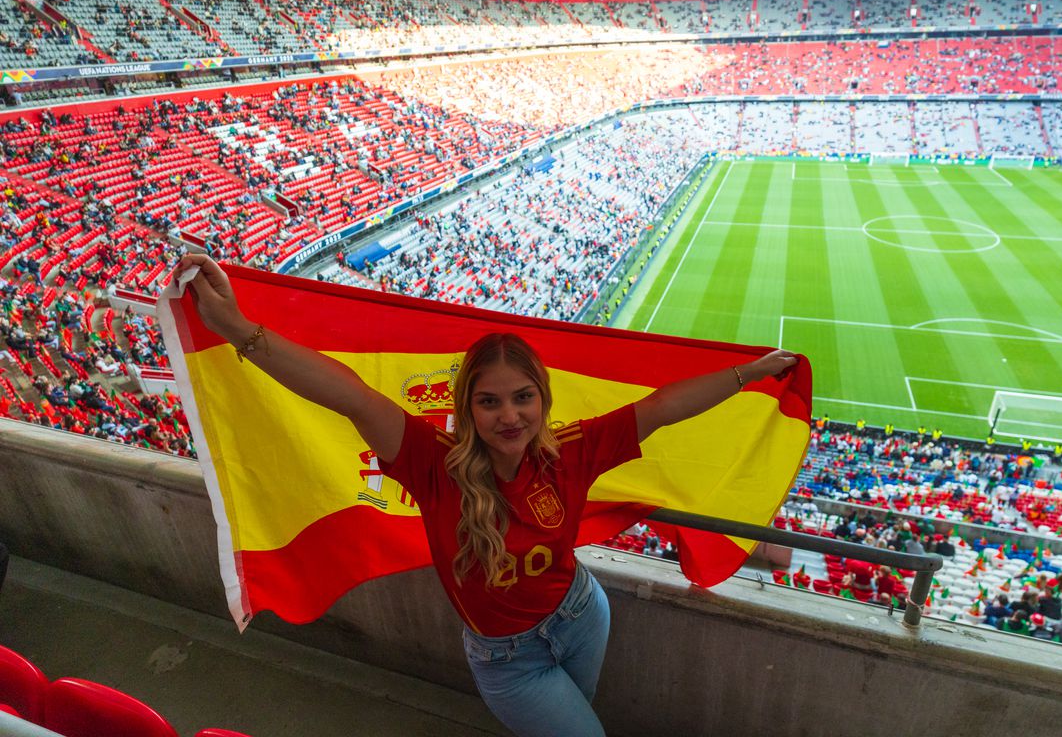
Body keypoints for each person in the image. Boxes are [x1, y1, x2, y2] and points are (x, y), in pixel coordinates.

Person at [173, 254, 797, 737]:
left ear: (542, 402)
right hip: (507, 660)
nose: (509, 415)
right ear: (467, 408)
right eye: (489, 400)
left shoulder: (574, 450)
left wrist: (749, 375)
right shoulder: (433, 464)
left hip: (581, 616)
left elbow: (662, 408)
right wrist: (235, 329)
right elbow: (348, 394)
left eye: (523, 397)